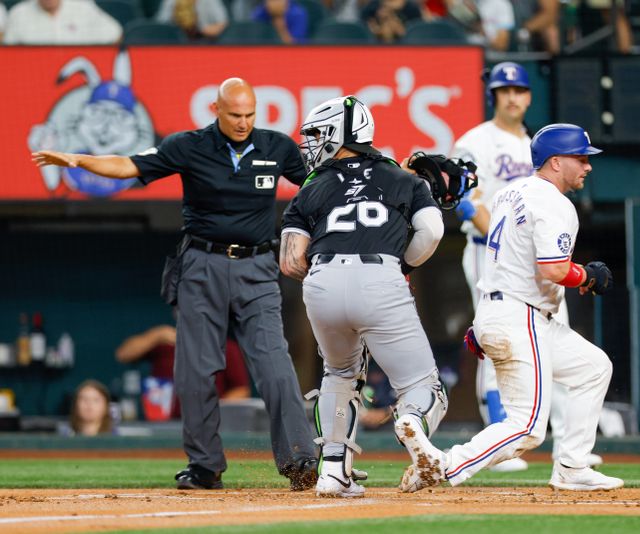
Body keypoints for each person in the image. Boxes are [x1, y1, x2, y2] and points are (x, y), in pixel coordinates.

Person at [32, 78, 319, 492]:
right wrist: (79, 161)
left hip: (257, 266)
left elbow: (320, 182)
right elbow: (129, 165)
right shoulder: (188, 146)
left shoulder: (278, 147)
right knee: (194, 372)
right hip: (201, 264)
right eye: (235, 114)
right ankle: (205, 466)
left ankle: (300, 460)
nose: (243, 122)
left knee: (275, 367)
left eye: (249, 114)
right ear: (217, 110)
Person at [397, 123, 623, 493]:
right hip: (522, 317)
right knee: (528, 426)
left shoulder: (510, 193)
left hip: (508, 310)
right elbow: (553, 269)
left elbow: (509, 258)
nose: (588, 166)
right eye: (580, 158)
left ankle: (572, 467)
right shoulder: (554, 202)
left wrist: (486, 320)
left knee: (594, 368)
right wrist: (586, 275)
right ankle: (444, 465)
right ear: (555, 162)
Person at [280, 95, 448, 497]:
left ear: (341, 131)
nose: (311, 142)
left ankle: (333, 471)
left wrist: (330, 269)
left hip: (321, 282)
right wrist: (399, 264)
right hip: (381, 276)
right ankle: (412, 422)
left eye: (318, 133)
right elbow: (433, 231)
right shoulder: (403, 178)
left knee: (338, 375)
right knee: (423, 385)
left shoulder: (314, 184)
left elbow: (291, 261)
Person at [452, 62, 602, 472]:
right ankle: (503, 434)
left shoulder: (535, 142)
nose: (512, 97)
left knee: (562, 342)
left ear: (529, 95)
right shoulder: (474, 141)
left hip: (538, 258)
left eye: (519, 89)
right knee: (505, 343)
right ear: (494, 95)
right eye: (504, 90)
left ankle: (569, 451)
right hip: (493, 253)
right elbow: (465, 199)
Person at [115, 324, 251, 420]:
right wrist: (156, 335)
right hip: (164, 422)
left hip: (205, 424)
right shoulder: (165, 342)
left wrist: (211, 412)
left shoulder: (224, 346)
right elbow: (123, 354)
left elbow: (241, 391)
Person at [4, 0, 122, 45]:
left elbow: (115, 34)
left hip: (76, 77)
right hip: (34, 77)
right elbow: (7, 51)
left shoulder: (83, 8)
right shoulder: (19, 13)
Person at [155, 0, 228, 41]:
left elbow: (223, 21)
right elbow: (160, 24)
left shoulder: (210, 1)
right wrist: (175, 18)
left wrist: (200, 30)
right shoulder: (172, 1)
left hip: (204, 41)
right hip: (176, 42)